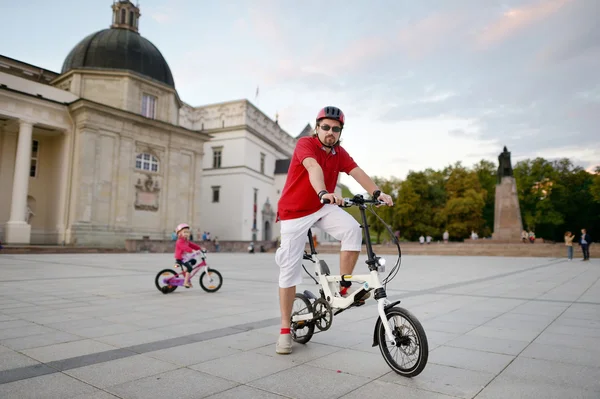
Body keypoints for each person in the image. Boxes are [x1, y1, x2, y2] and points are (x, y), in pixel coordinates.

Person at [274, 106, 393, 355]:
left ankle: (343, 287)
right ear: (317, 127)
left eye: (335, 129)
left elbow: (356, 171)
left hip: (321, 206)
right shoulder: (305, 144)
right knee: (289, 269)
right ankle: (285, 328)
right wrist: (323, 192)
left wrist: (377, 192)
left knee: (352, 229)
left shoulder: (339, 152)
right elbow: (313, 168)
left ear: (340, 132)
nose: (330, 132)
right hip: (295, 211)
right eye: (325, 127)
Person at [174, 223, 201, 288]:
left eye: (187, 232)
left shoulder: (186, 241)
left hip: (184, 257)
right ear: (179, 233)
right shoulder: (179, 241)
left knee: (193, 261)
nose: (186, 233)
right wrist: (192, 251)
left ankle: (186, 273)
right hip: (180, 258)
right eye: (184, 232)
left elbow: (192, 245)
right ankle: (185, 283)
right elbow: (184, 248)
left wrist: (200, 248)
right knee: (190, 268)